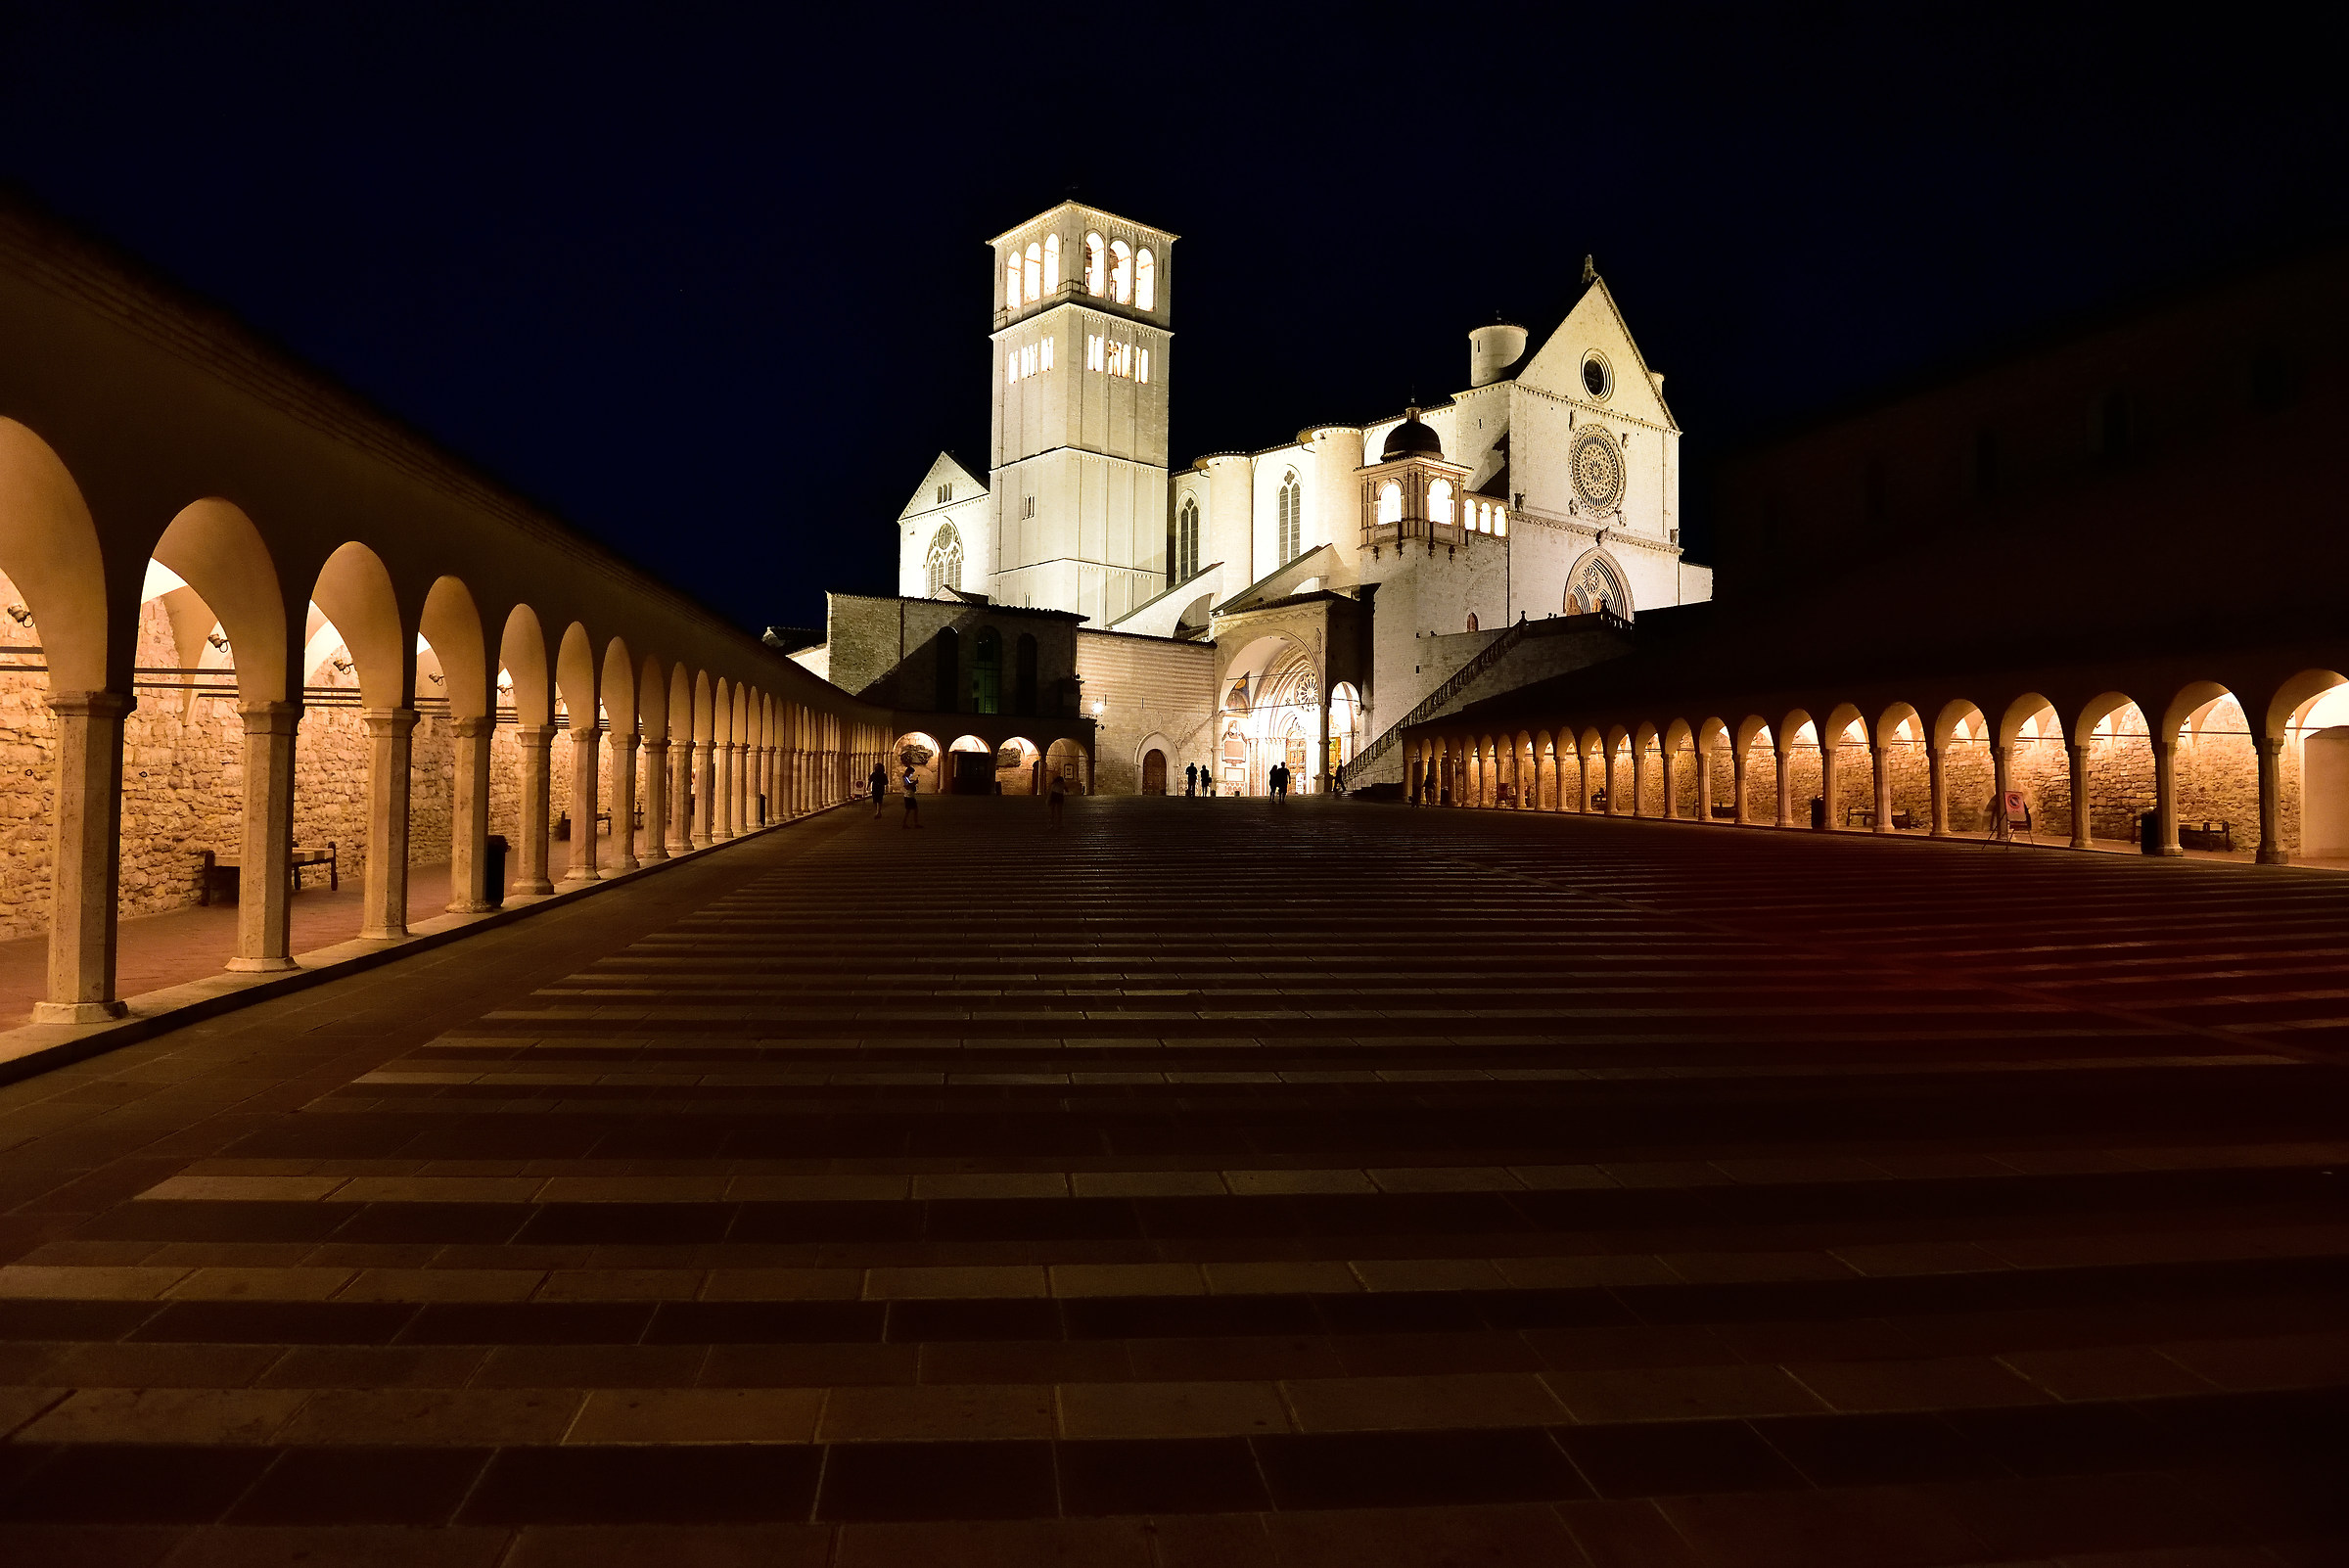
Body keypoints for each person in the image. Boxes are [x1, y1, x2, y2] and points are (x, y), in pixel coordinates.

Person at [900, 764, 921, 828]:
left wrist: (913, 783)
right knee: (911, 810)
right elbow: (907, 787)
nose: (911, 774)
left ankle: (911, 823)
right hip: (908, 796)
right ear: (908, 772)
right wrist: (914, 783)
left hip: (910, 795)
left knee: (912, 810)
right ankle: (909, 823)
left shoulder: (907, 778)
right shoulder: (904, 778)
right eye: (911, 773)